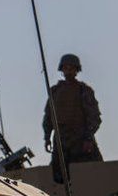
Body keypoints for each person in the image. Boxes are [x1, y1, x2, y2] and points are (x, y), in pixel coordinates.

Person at [43, 53, 103, 182]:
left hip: (80, 141)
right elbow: (48, 117)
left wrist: (88, 138)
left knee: (92, 177)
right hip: (61, 141)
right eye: (66, 68)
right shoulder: (55, 91)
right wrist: (47, 137)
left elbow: (94, 117)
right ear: (62, 69)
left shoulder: (84, 91)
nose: (68, 71)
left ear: (77, 70)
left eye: (71, 68)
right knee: (57, 179)